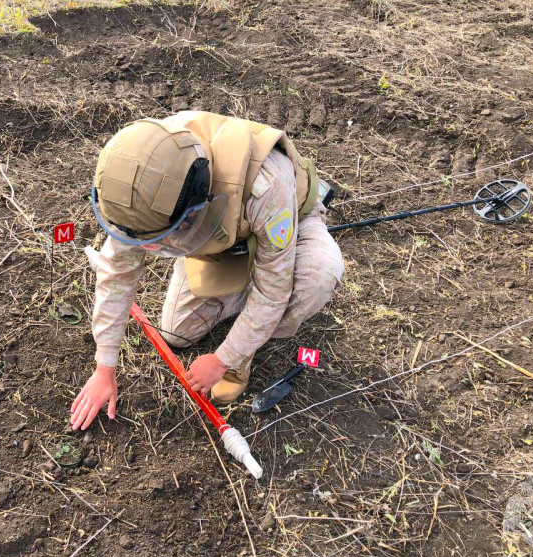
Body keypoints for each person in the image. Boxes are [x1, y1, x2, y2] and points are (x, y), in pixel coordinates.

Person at [70, 111, 344, 431]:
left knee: (316, 277)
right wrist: (105, 368)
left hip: (285, 216)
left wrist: (224, 359)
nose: (150, 250)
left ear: (192, 209)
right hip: (222, 235)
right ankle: (245, 299)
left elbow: (273, 291)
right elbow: (116, 276)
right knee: (177, 332)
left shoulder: (265, 186)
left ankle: (247, 350)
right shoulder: (141, 187)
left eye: (159, 241)